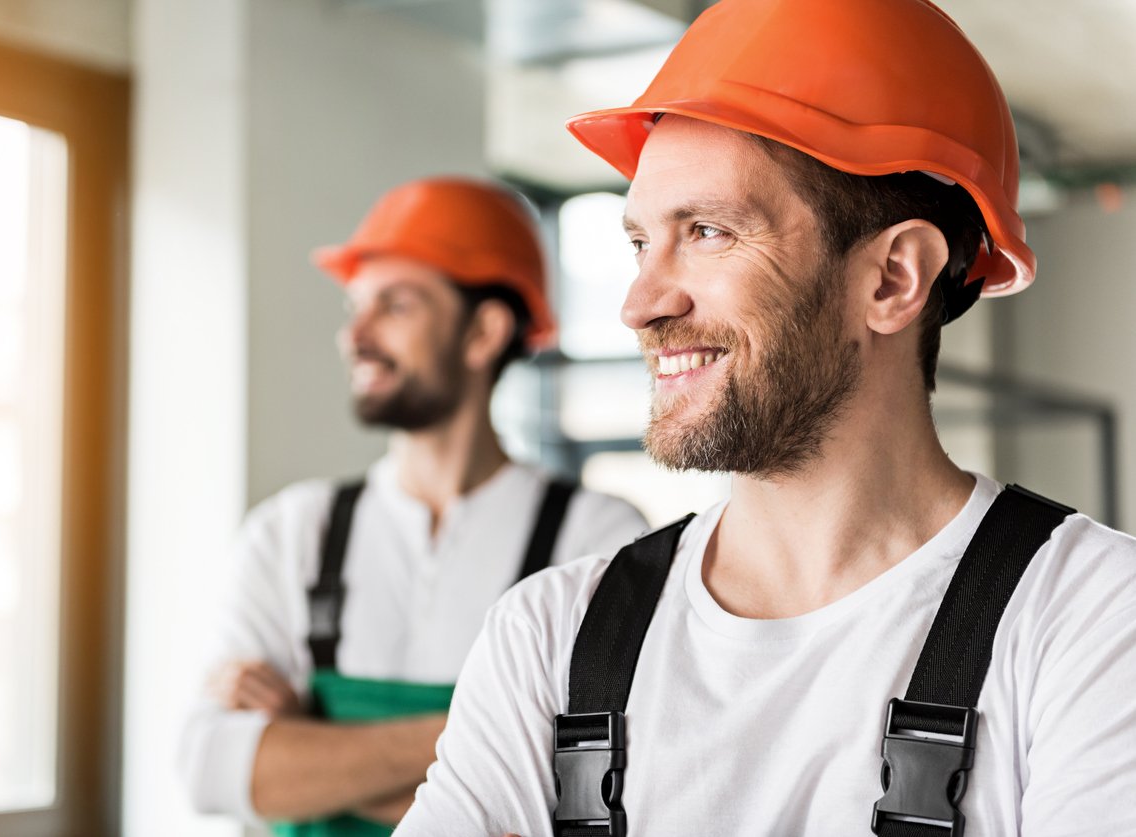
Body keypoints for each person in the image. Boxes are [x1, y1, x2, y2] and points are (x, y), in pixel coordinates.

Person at [395, 2, 1136, 835]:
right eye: (641, 243)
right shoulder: (551, 638)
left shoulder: (1092, 622)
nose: (640, 303)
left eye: (706, 232)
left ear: (892, 278)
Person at [177, 176, 647, 835]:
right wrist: (490, 748)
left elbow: (586, 799)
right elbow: (213, 771)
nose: (356, 336)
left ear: (483, 331)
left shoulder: (596, 536)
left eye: (395, 306)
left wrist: (312, 744)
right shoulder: (292, 531)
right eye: (355, 307)